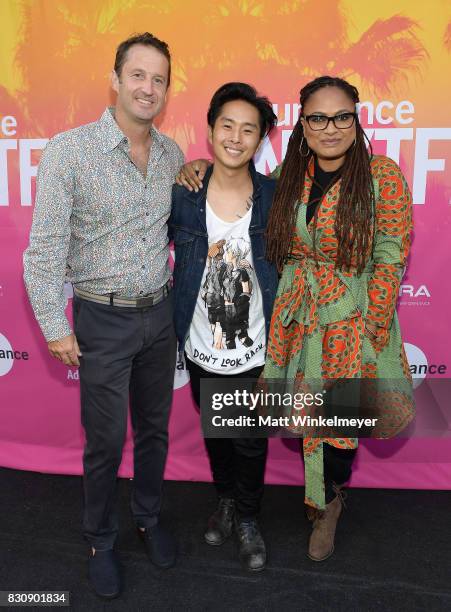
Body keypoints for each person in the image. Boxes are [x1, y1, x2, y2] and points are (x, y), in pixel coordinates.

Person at [177, 75, 414, 563]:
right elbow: (238, 182)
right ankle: (251, 500)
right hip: (297, 316)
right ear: (302, 124)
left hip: (352, 318)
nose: (330, 128)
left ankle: (329, 500)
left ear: (356, 120)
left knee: (344, 418)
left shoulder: (381, 176)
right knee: (283, 415)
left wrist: (370, 322)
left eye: (341, 116)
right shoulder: (290, 174)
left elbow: (391, 251)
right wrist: (198, 166)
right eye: (317, 118)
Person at [23, 32, 184, 599]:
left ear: (167, 90)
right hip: (102, 320)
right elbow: (42, 253)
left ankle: (148, 516)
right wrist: (55, 326)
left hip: (159, 317)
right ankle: (100, 537)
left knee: (155, 432)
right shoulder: (70, 151)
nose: (148, 87)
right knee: (105, 440)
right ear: (115, 79)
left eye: (159, 79)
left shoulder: (172, 156)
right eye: (137, 75)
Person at [169, 82, 278, 571]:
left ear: (260, 141)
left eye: (248, 129)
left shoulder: (276, 198)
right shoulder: (184, 193)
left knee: (250, 438)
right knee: (216, 431)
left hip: (255, 347)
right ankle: (227, 500)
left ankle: (249, 516)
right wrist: (184, 166)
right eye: (226, 125)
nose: (236, 137)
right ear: (210, 130)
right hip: (199, 345)